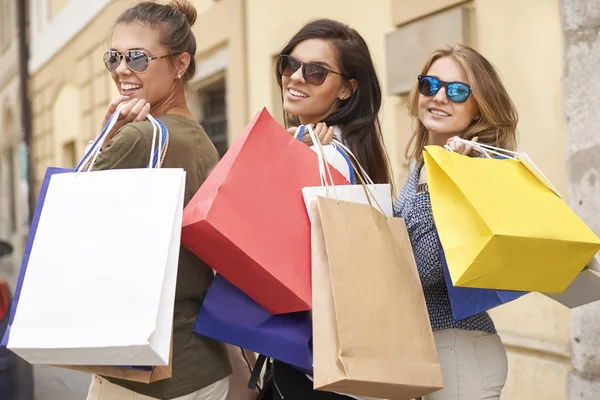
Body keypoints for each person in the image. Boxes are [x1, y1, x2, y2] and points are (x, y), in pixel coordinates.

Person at [84, 1, 232, 399]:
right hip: (200, 365)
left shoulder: (140, 137)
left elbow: (69, 227)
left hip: (139, 374)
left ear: (180, 63)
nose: (121, 68)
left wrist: (107, 138)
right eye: (114, 57)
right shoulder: (200, 140)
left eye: (137, 57)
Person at [269, 18, 394, 400]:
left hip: (313, 362)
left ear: (346, 90)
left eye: (316, 72)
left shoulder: (327, 159)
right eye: (289, 64)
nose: (296, 77)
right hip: (328, 359)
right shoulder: (338, 152)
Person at [395, 43, 518, 400]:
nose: (439, 97)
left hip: (458, 351)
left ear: (479, 107)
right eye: (430, 85)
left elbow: (429, 269)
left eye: (458, 91)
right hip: (438, 349)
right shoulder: (420, 165)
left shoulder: (474, 170)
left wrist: (440, 185)